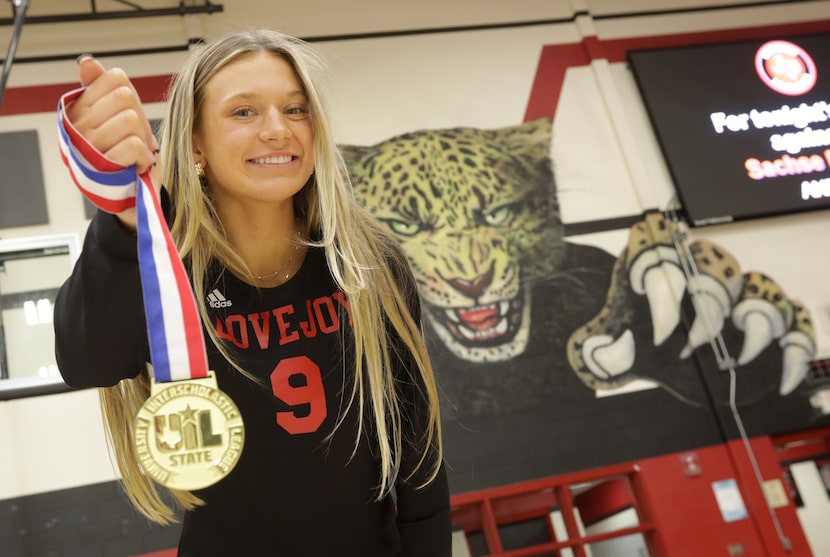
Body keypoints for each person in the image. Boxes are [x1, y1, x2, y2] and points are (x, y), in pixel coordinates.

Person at [53, 29, 451, 556]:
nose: (276, 130)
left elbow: (418, 453)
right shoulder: (163, 272)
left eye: (296, 109)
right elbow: (88, 363)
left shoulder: (368, 260)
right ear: (194, 141)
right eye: (244, 112)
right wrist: (124, 217)